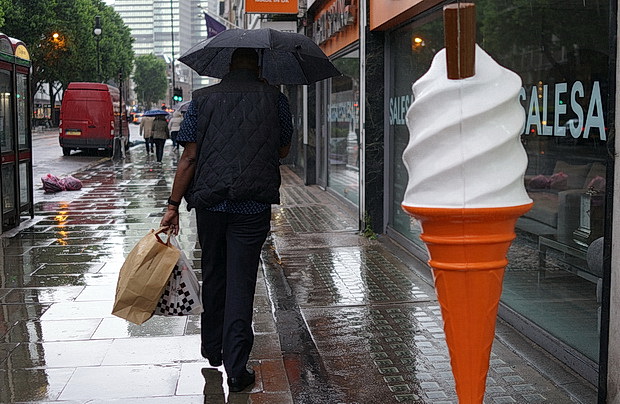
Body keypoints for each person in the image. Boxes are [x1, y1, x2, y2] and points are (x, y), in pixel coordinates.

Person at [160, 48, 292, 393]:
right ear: (259, 67)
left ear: (227, 66)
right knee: (241, 281)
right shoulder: (275, 100)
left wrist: (173, 205)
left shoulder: (201, 100)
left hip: (211, 203)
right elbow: (283, 150)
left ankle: (212, 348)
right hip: (253, 203)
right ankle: (236, 368)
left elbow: (189, 156)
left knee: (215, 273)